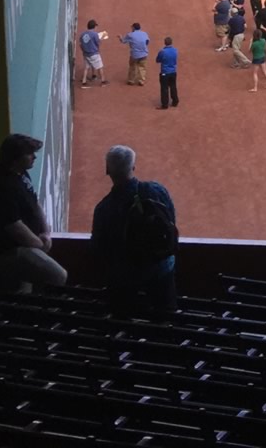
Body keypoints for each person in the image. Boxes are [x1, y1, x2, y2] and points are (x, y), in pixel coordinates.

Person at [90, 145, 177, 319]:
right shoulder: (157, 190)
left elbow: (98, 248)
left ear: (108, 170)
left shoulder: (104, 208)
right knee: (165, 312)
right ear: (133, 168)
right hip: (161, 265)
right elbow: (171, 222)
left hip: (126, 275)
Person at [0, 133, 67, 291]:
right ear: (15, 158)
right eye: (29, 153)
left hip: (24, 245)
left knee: (24, 292)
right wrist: (40, 244)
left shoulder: (21, 173)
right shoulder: (1, 187)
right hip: (6, 252)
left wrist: (45, 232)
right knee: (58, 275)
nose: (34, 157)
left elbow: (35, 204)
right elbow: (15, 227)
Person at [79, 19, 108, 87]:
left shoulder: (82, 34)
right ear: (94, 26)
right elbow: (98, 43)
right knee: (100, 67)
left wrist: (83, 51)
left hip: (86, 54)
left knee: (86, 68)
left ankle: (84, 82)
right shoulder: (95, 34)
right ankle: (103, 81)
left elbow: (80, 44)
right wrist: (102, 37)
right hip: (94, 53)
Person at [155, 36, 179, 109]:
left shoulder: (162, 51)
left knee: (164, 88)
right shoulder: (175, 50)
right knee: (173, 87)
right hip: (173, 72)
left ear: (165, 43)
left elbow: (157, 60)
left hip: (165, 72)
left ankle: (165, 104)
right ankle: (175, 101)